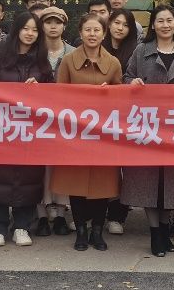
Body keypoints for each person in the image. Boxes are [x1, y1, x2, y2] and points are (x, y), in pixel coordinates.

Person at [122, 4, 174, 258]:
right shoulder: (141, 50)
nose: (166, 25)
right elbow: (127, 77)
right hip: (148, 126)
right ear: (153, 25)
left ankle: (166, 229)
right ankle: (155, 233)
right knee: (149, 182)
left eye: (170, 20)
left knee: (173, 183)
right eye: (160, 21)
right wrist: (132, 82)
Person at [0, 11, 55, 247]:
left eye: (35, 30)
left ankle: (22, 225)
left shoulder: (42, 59)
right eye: (25, 28)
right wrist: (7, 91)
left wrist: (39, 88)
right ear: (17, 30)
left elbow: (53, 89)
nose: (30, 34)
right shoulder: (1, 53)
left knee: (28, 176)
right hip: (1, 125)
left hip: (29, 128)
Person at [53, 13, 124, 251]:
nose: (92, 34)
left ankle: (97, 230)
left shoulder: (113, 63)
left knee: (102, 184)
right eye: (88, 30)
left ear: (104, 34)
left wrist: (110, 94)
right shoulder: (68, 61)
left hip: (103, 134)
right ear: (80, 33)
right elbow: (58, 95)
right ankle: (81, 230)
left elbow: (121, 98)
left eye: (97, 30)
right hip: (75, 132)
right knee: (76, 183)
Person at [35, 6, 75, 235]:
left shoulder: (74, 53)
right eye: (48, 22)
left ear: (64, 25)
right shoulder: (33, 51)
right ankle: (41, 214)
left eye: (57, 22)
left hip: (65, 118)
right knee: (39, 167)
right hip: (37, 118)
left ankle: (60, 213)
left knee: (62, 166)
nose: (53, 26)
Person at [100, 7, 139, 235]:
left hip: (128, 115)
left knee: (125, 165)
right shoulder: (97, 46)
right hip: (101, 116)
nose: (120, 28)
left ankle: (118, 214)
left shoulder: (136, 50)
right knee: (105, 166)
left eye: (125, 25)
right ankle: (99, 211)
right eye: (116, 23)